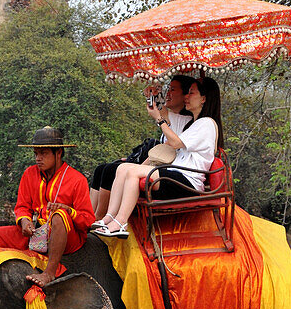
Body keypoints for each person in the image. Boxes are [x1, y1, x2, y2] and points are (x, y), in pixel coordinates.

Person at [93, 76, 224, 238]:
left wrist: (159, 119)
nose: (186, 97)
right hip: (175, 175)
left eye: (191, 93)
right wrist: (153, 95)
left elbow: (174, 142)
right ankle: (109, 217)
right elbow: (162, 112)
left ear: (203, 98)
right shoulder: (191, 122)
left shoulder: (207, 124)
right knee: (122, 168)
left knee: (134, 172)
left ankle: (121, 222)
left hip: (187, 182)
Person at [0, 126, 95, 287]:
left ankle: (49, 272)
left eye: (44, 153)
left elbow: (88, 221)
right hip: (37, 232)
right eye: (36, 153)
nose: (38, 158)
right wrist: (24, 221)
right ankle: (31, 256)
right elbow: (22, 207)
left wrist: (68, 211)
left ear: (58, 153)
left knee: (59, 215)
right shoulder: (29, 174)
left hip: (67, 237)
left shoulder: (77, 179)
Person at [89, 76, 193, 217]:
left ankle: (100, 217)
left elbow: (166, 147)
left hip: (168, 171)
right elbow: (159, 112)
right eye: (168, 89)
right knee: (102, 169)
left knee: (110, 171)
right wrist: (153, 95)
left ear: (185, 96)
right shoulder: (173, 118)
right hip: (156, 163)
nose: (168, 93)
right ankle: (89, 215)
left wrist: (136, 167)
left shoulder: (188, 123)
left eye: (172, 90)